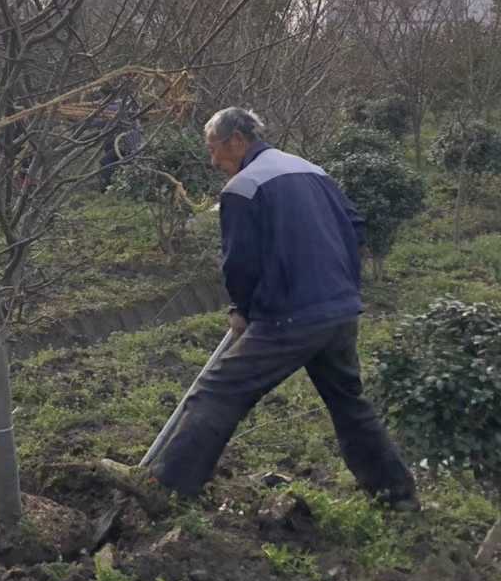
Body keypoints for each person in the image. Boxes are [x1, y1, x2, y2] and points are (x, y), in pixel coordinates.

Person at [106, 106, 419, 515]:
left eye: (214, 148)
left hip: (291, 317)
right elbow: (357, 228)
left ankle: (166, 490)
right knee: (349, 404)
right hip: (339, 311)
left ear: (237, 140)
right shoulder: (311, 170)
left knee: (218, 392)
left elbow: (240, 263)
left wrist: (244, 308)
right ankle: (398, 495)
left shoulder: (243, 186)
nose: (212, 160)